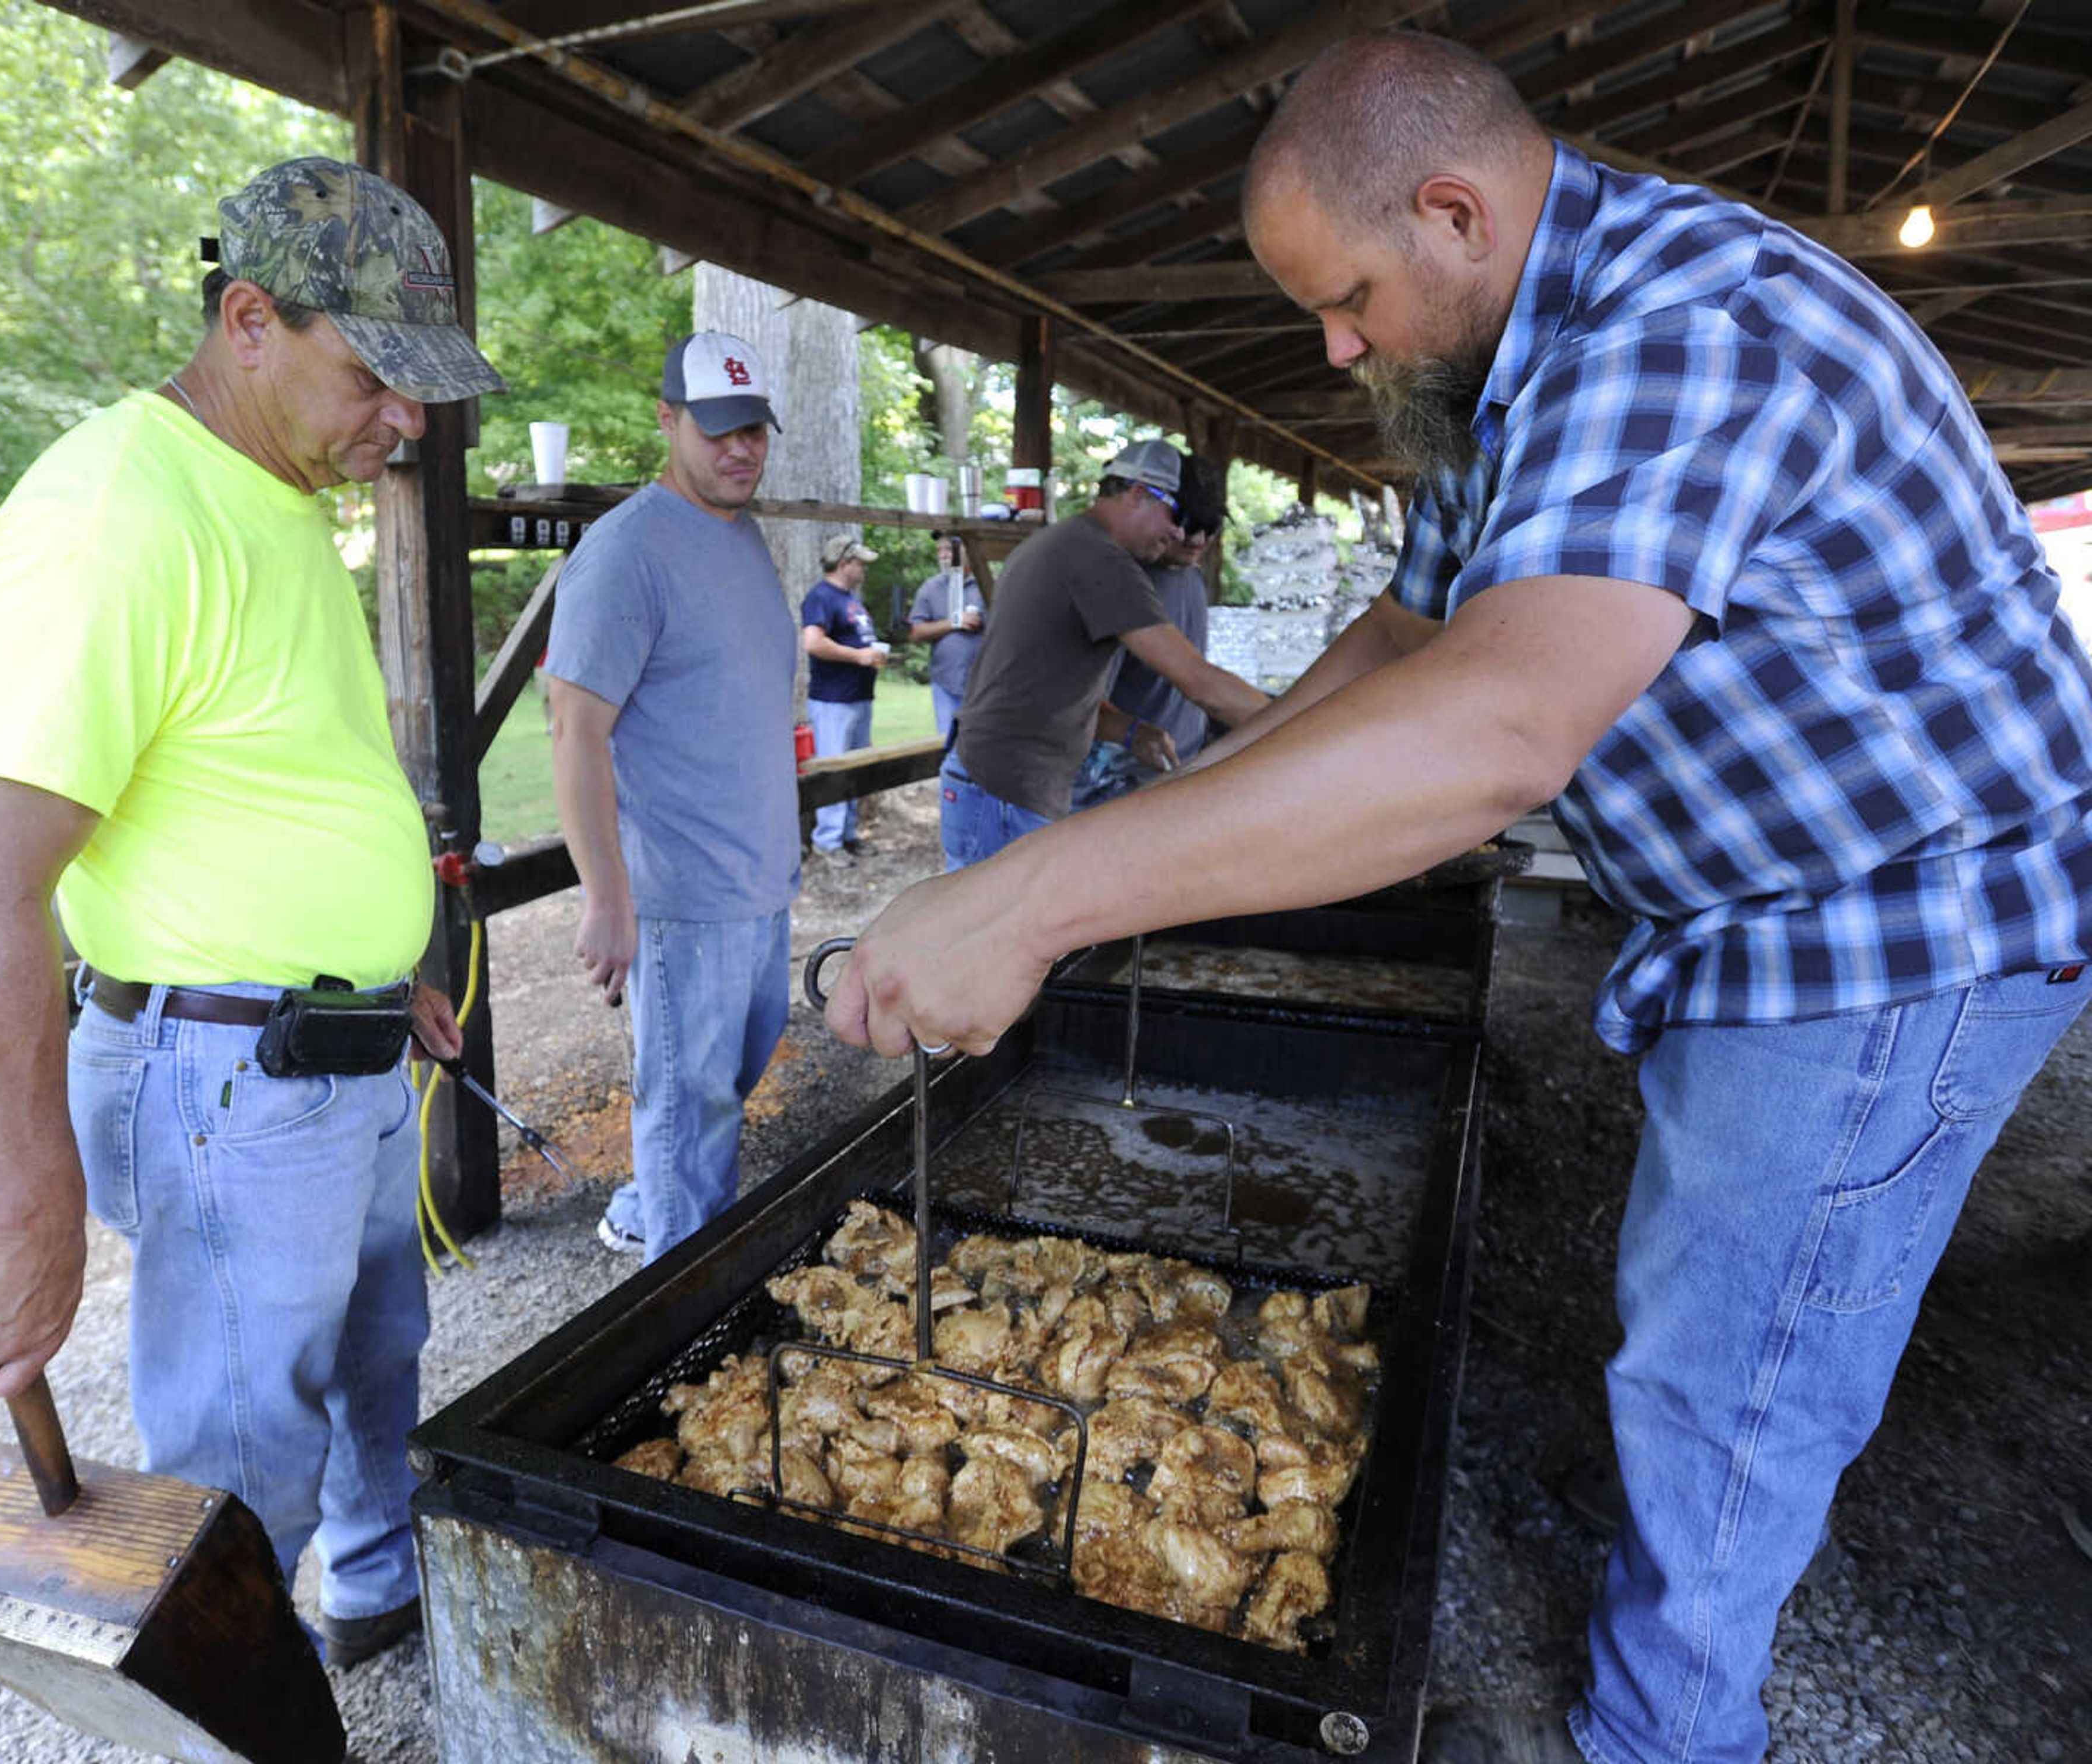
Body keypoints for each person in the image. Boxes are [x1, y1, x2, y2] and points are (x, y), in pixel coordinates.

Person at [824, 31, 2092, 1764]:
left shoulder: (1677, 331)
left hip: (1883, 924)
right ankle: (1666, 1536)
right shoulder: (1500, 376)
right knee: (1696, 1303)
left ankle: (1667, 1729)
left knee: (1737, 1379)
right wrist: (1157, 840)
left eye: (1344, 298)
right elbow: (1396, 649)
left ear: (1451, 211)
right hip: (1742, 919)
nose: (1330, 345)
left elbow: (1493, 728)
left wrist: (1033, 897)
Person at [0, 156, 505, 1669]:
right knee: (241, 1437)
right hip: (229, 1082)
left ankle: (372, 1592)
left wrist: (395, 971)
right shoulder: (110, 517)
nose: (410, 420)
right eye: (380, 373)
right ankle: (236, 1699)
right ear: (251, 319)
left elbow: (287, 767)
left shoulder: (273, 490)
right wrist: (27, 1212)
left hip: (343, 1047)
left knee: (379, 1357)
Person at [546, 331, 798, 1264]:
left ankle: (654, 1210)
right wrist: (608, 898)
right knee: (690, 1124)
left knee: (711, 1104)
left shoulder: (743, 535)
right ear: (667, 420)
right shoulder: (626, 552)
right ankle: (681, 1317)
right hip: (685, 901)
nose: (741, 449)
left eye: (754, 431)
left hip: (760, 885)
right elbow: (576, 730)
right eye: (719, 429)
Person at [938, 438, 1267, 870]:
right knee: (989, 931)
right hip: (1003, 789)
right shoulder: (1100, 561)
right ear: (1138, 494)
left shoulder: (1060, 542)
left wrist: (1134, 732)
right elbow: (1199, 681)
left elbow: (1048, 687)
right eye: (1176, 515)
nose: (1179, 534)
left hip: (994, 778)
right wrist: (1303, 728)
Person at [1071, 453, 1232, 808]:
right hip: (1117, 785)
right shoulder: (1123, 582)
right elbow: (1085, 707)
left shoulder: (1191, 575)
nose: (1197, 540)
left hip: (1180, 769)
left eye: (1212, 528)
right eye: (1187, 523)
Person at [800, 534, 886, 867]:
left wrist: (873, 655)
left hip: (859, 697)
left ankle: (849, 834)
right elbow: (813, 642)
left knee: (855, 771)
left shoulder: (850, 599)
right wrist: (859, 657)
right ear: (844, 562)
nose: (864, 568)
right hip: (834, 701)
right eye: (860, 562)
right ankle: (827, 841)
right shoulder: (821, 597)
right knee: (835, 770)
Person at [906, 533, 985, 739]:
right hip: (946, 682)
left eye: (949, 550)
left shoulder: (987, 586)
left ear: (968, 552)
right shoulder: (930, 588)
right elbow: (916, 632)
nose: (943, 556)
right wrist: (954, 622)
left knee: (983, 743)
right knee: (947, 742)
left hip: (984, 683)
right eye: (939, 551)